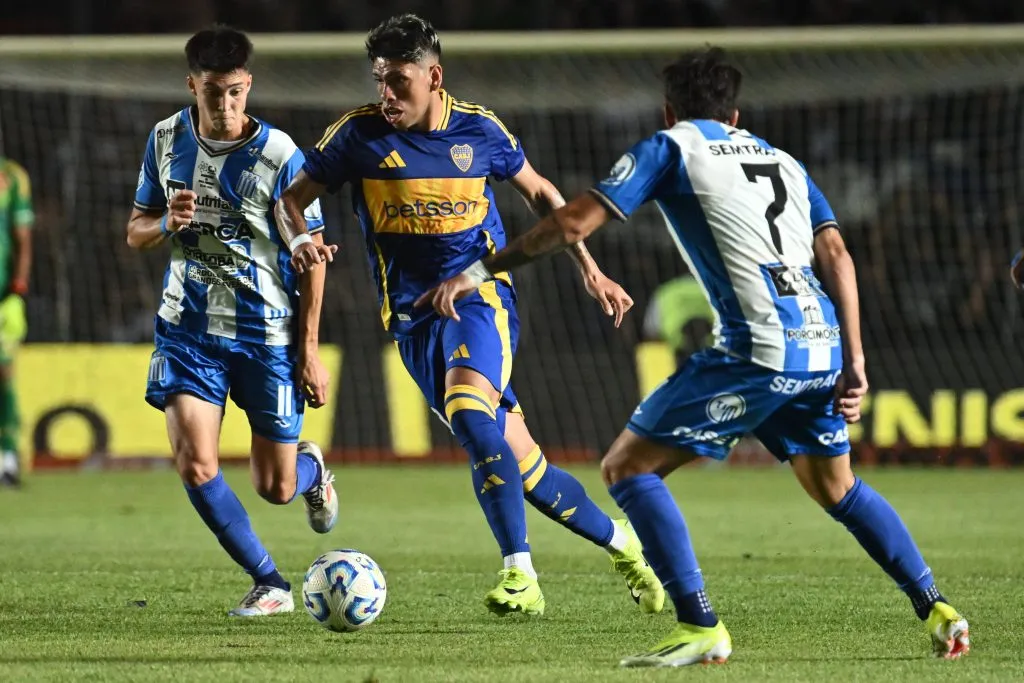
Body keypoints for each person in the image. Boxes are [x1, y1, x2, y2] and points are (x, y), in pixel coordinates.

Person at [420, 47, 969, 666]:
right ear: (735, 113)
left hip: (756, 349)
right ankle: (938, 608)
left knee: (627, 467)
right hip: (821, 344)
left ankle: (699, 624)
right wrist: (857, 360)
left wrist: (480, 270)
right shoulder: (782, 160)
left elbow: (573, 223)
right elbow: (837, 256)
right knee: (837, 486)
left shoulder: (672, 146)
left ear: (668, 109)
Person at [275, 13, 664, 617]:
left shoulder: (479, 131)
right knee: (525, 468)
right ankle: (625, 543)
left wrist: (588, 266)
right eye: (379, 80)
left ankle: (520, 575)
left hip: (480, 299)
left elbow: (543, 194)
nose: (386, 94)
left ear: (435, 76)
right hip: (410, 321)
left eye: (398, 80)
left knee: (468, 411)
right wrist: (300, 241)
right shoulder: (356, 136)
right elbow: (289, 202)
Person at [125, 26, 339, 617]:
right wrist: (166, 224)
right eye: (213, 92)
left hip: (265, 334)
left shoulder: (280, 155)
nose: (225, 106)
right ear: (193, 85)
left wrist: (310, 351)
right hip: (188, 330)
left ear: (249, 86)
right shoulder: (165, 139)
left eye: (237, 93)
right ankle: (269, 582)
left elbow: (315, 258)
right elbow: (135, 231)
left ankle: (311, 467)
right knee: (195, 462)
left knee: (275, 487)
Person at [0, 157, 32, 487]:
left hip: (3, 300)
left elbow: (23, 237)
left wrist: (18, 287)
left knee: (4, 377)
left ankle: (7, 459)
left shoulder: (11, 176)